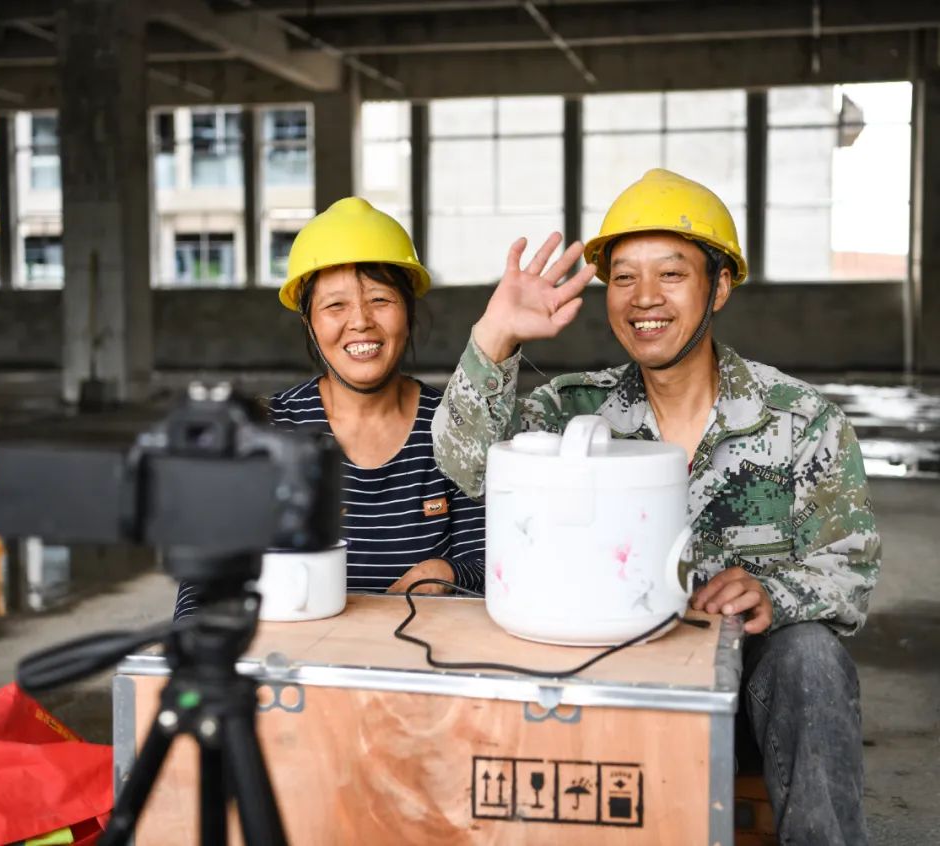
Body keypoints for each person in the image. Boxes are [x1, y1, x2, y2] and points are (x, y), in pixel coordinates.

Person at [431, 168, 880, 845]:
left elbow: (849, 569)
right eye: (623, 278)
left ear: (719, 286)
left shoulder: (800, 421)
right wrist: (495, 337)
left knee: (812, 657)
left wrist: (772, 592)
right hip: (602, 684)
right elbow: (465, 464)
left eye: (671, 274)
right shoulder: (571, 412)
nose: (645, 298)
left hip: (748, 702)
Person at [174, 198, 485, 621]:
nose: (360, 321)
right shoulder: (269, 431)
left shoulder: (457, 426)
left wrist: (445, 573)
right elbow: (204, 584)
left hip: (427, 652)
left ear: (408, 312)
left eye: (380, 299)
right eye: (335, 305)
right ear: (309, 322)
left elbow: (495, 567)